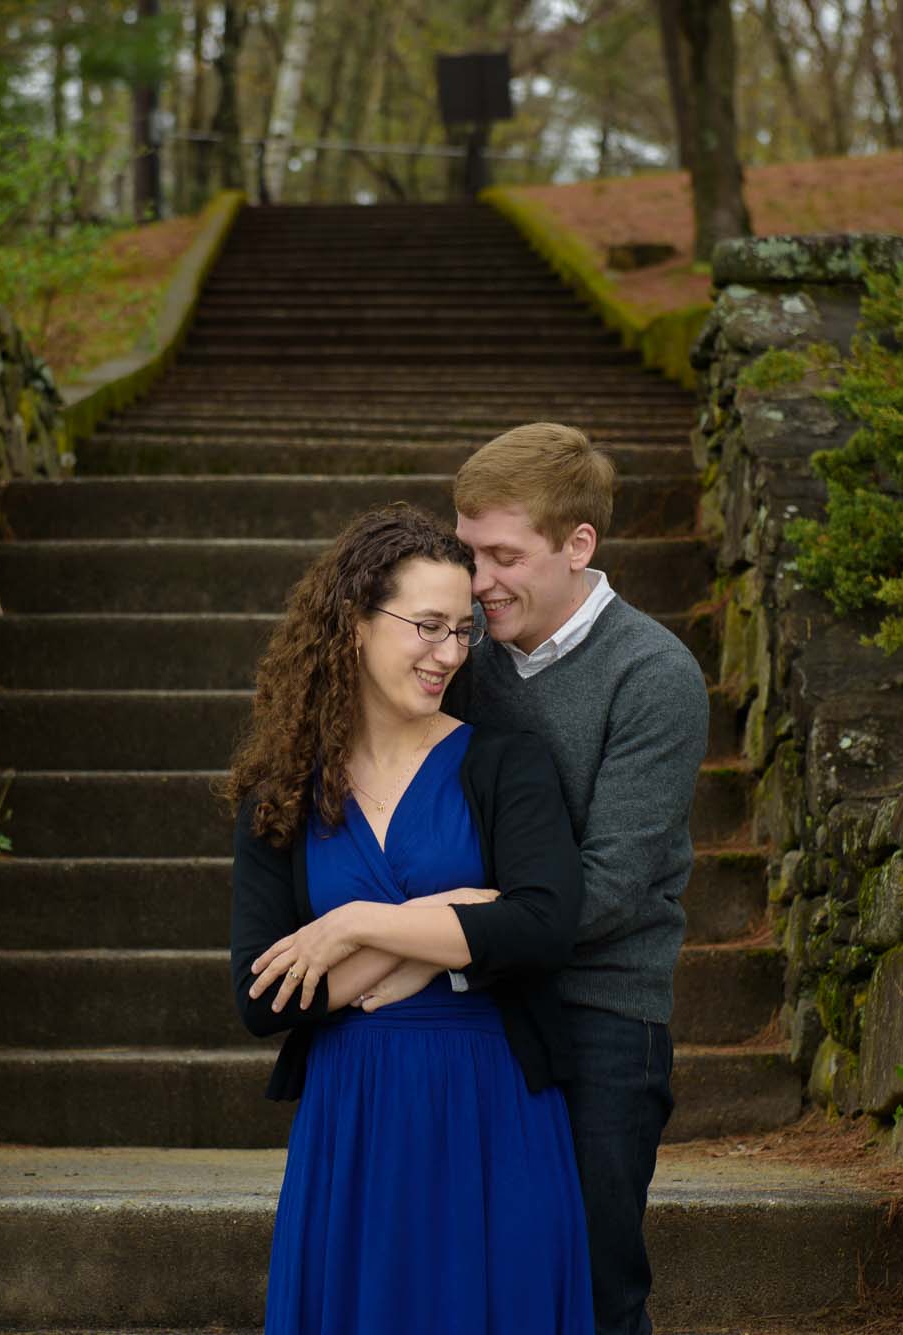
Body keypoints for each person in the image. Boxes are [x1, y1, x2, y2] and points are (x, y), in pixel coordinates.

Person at [228, 504, 593, 1335]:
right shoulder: (281, 792)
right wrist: (454, 915)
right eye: (427, 627)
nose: (450, 655)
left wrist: (357, 925)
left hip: (491, 1107)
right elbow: (260, 996)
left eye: (464, 632)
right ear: (355, 623)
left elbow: (542, 926)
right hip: (353, 1121)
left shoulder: (505, 762)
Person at [446, 423, 711, 1335]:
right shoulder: (463, 667)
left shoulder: (653, 673)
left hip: (601, 1015)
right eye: (469, 552)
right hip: (477, 1005)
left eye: (504, 556)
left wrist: (441, 940)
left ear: (578, 545)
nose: (479, 583)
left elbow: (609, 885)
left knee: (594, 1287)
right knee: (484, 1277)